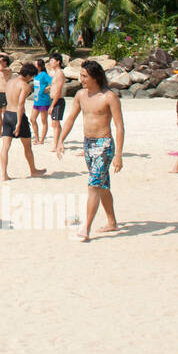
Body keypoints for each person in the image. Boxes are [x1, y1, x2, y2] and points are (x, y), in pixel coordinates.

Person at [56, 60, 125, 242]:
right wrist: (60, 140)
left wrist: (118, 155)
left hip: (104, 145)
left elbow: (119, 126)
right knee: (102, 185)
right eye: (81, 75)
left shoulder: (109, 97)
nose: (81, 79)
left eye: (85, 76)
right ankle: (112, 222)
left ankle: (85, 227)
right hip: (88, 144)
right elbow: (71, 118)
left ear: (95, 77)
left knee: (93, 185)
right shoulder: (80, 95)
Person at [0, 63, 47, 180]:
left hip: (7, 114)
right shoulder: (24, 86)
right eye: (32, 76)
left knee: (5, 147)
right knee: (27, 147)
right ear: (28, 75)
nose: (32, 79)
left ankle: (4, 174)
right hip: (17, 116)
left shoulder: (10, 82)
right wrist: (19, 123)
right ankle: (33, 170)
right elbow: (20, 104)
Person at [47, 53, 67, 153]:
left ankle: (56, 144)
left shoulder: (59, 73)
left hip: (58, 101)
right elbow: (54, 86)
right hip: (53, 99)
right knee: (55, 123)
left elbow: (59, 91)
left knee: (55, 122)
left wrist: (52, 105)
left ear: (58, 62)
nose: (50, 62)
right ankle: (59, 142)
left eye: (52, 61)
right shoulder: (55, 73)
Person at [30, 58, 52, 144]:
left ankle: (42, 140)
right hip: (36, 100)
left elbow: (53, 82)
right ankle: (36, 137)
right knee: (32, 119)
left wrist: (47, 88)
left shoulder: (44, 74)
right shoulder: (35, 75)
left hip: (43, 100)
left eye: (35, 65)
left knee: (44, 121)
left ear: (39, 66)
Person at [0, 54, 12, 135]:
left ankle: (7, 131)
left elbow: (1, 68)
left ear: (5, 62)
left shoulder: (8, 69)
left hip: (5, 94)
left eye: (2, 61)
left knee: (5, 114)